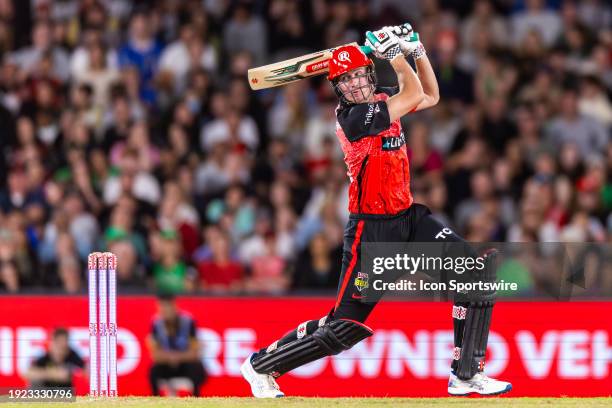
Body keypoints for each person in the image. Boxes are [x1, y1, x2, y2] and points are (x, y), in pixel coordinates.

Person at [241, 24, 512, 397]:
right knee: (344, 328)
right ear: (338, 89)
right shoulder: (353, 119)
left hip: (408, 218)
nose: (353, 84)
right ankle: (261, 367)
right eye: (345, 80)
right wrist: (394, 53)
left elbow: (430, 95)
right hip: (371, 233)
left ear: (368, 75)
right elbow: (414, 90)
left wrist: (415, 50)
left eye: (357, 75)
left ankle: (465, 374)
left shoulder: (384, 100)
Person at [147, 293, 206, 396]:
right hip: (166, 365)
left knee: (196, 368)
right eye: (161, 308)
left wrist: (177, 357)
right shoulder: (156, 324)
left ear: (174, 307)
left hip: (185, 364)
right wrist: (170, 358)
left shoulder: (188, 322)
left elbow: (194, 353)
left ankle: (196, 400)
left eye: (166, 307)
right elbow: (155, 355)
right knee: (153, 371)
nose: (163, 311)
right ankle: (155, 401)